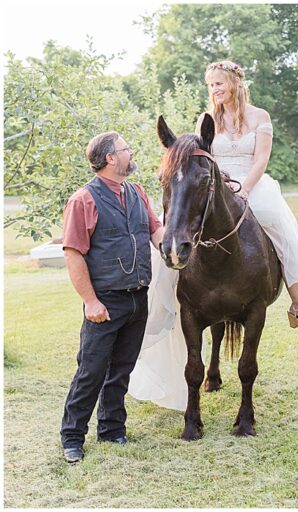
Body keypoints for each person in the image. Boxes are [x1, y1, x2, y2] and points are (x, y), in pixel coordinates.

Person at [129, 59, 298, 411]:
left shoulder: (260, 118)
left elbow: (261, 159)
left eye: (219, 83)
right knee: (170, 224)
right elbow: (197, 157)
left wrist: (245, 189)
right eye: (210, 85)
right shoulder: (209, 119)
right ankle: (163, 302)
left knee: (279, 220)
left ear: (234, 83)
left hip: (250, 183)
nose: (214, 90)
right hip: (212, 184)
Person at [60, 132, 164, 463]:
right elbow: (74, 254)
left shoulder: (137, 193)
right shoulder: (83, 200)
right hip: (104, 299)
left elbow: (154, 229)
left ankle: (112, 429)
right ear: (110, 159)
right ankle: (72, 437)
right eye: (125, 149)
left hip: (138, 297)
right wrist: (90, 301)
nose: (131, 153)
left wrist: (172, 248)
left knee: (121, 369)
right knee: (91, 370)